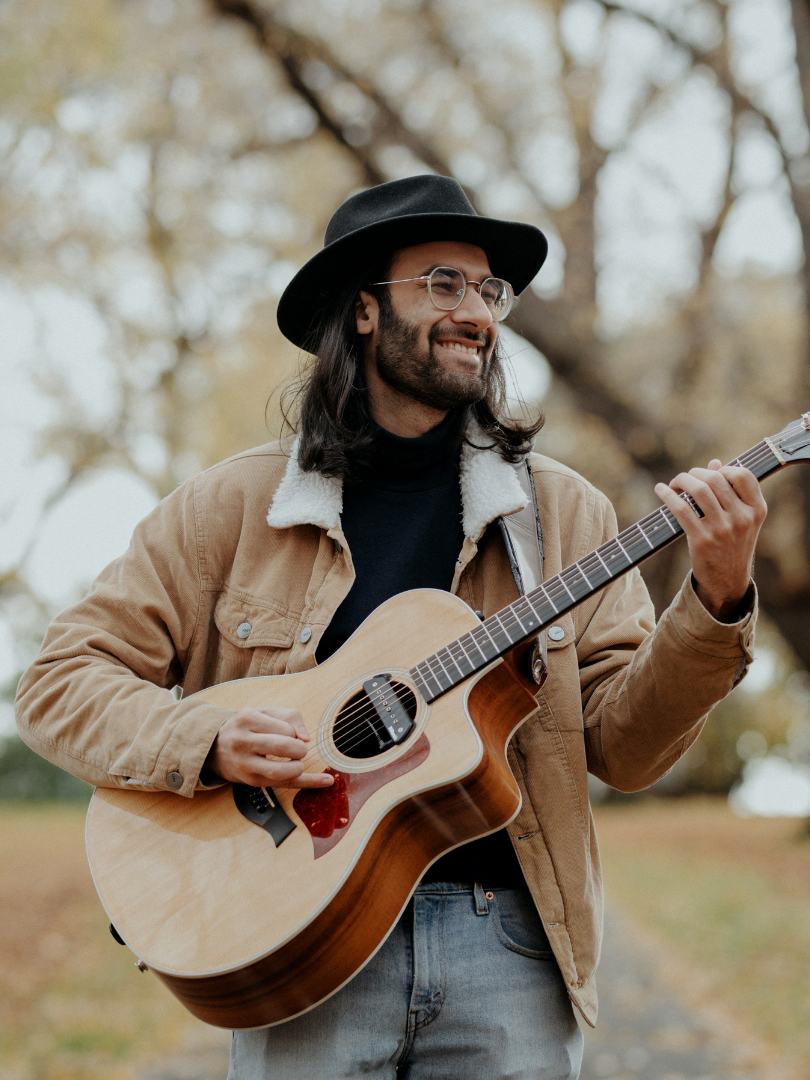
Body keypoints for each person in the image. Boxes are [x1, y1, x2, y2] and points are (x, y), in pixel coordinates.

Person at [16, 175, 766, 1080]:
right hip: (300, 941)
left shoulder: (563, 515)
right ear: (364, 310)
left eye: (489, 291)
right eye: (443, 283)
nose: (477, 313)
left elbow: (626, 751)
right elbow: (58, 681)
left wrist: (715, 602)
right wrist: (206, 736)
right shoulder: (234, 506)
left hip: (510, 951)